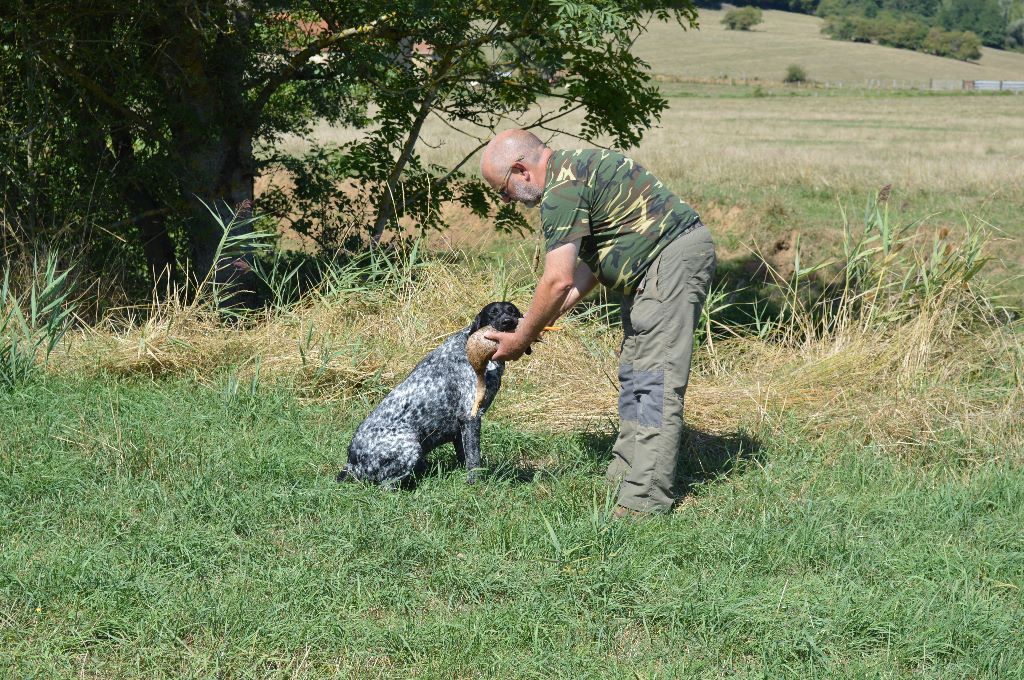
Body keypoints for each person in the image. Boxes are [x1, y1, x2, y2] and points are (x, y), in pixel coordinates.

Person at [480, 129, 716, 517]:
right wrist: (550, 315)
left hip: (670, 263)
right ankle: (626, 471)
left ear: (521, 170)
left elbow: (557, 279)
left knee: (655, 380)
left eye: (503, 189)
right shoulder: (575, 169)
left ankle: (645, 501)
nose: (505, 200)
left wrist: (521, 338)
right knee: (636, 374)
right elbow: (591, 265)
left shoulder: (561, 191)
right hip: (652, 270)